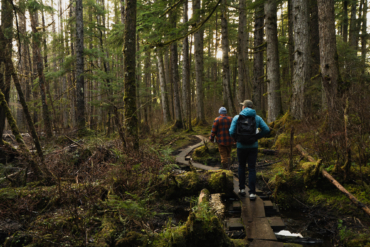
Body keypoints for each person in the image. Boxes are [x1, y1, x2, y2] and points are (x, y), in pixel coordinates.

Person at [229, 100, 270, 200]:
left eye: (243, 105)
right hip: (253, 147)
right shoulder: (257, 118)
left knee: (241, 166)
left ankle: (242, 189)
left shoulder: (237, 117)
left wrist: (237, 139)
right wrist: (257, 137)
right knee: (252, 168)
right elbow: (267, 130)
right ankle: (252, 193)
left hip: (241, 147)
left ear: (244, 107)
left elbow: (231, 131)